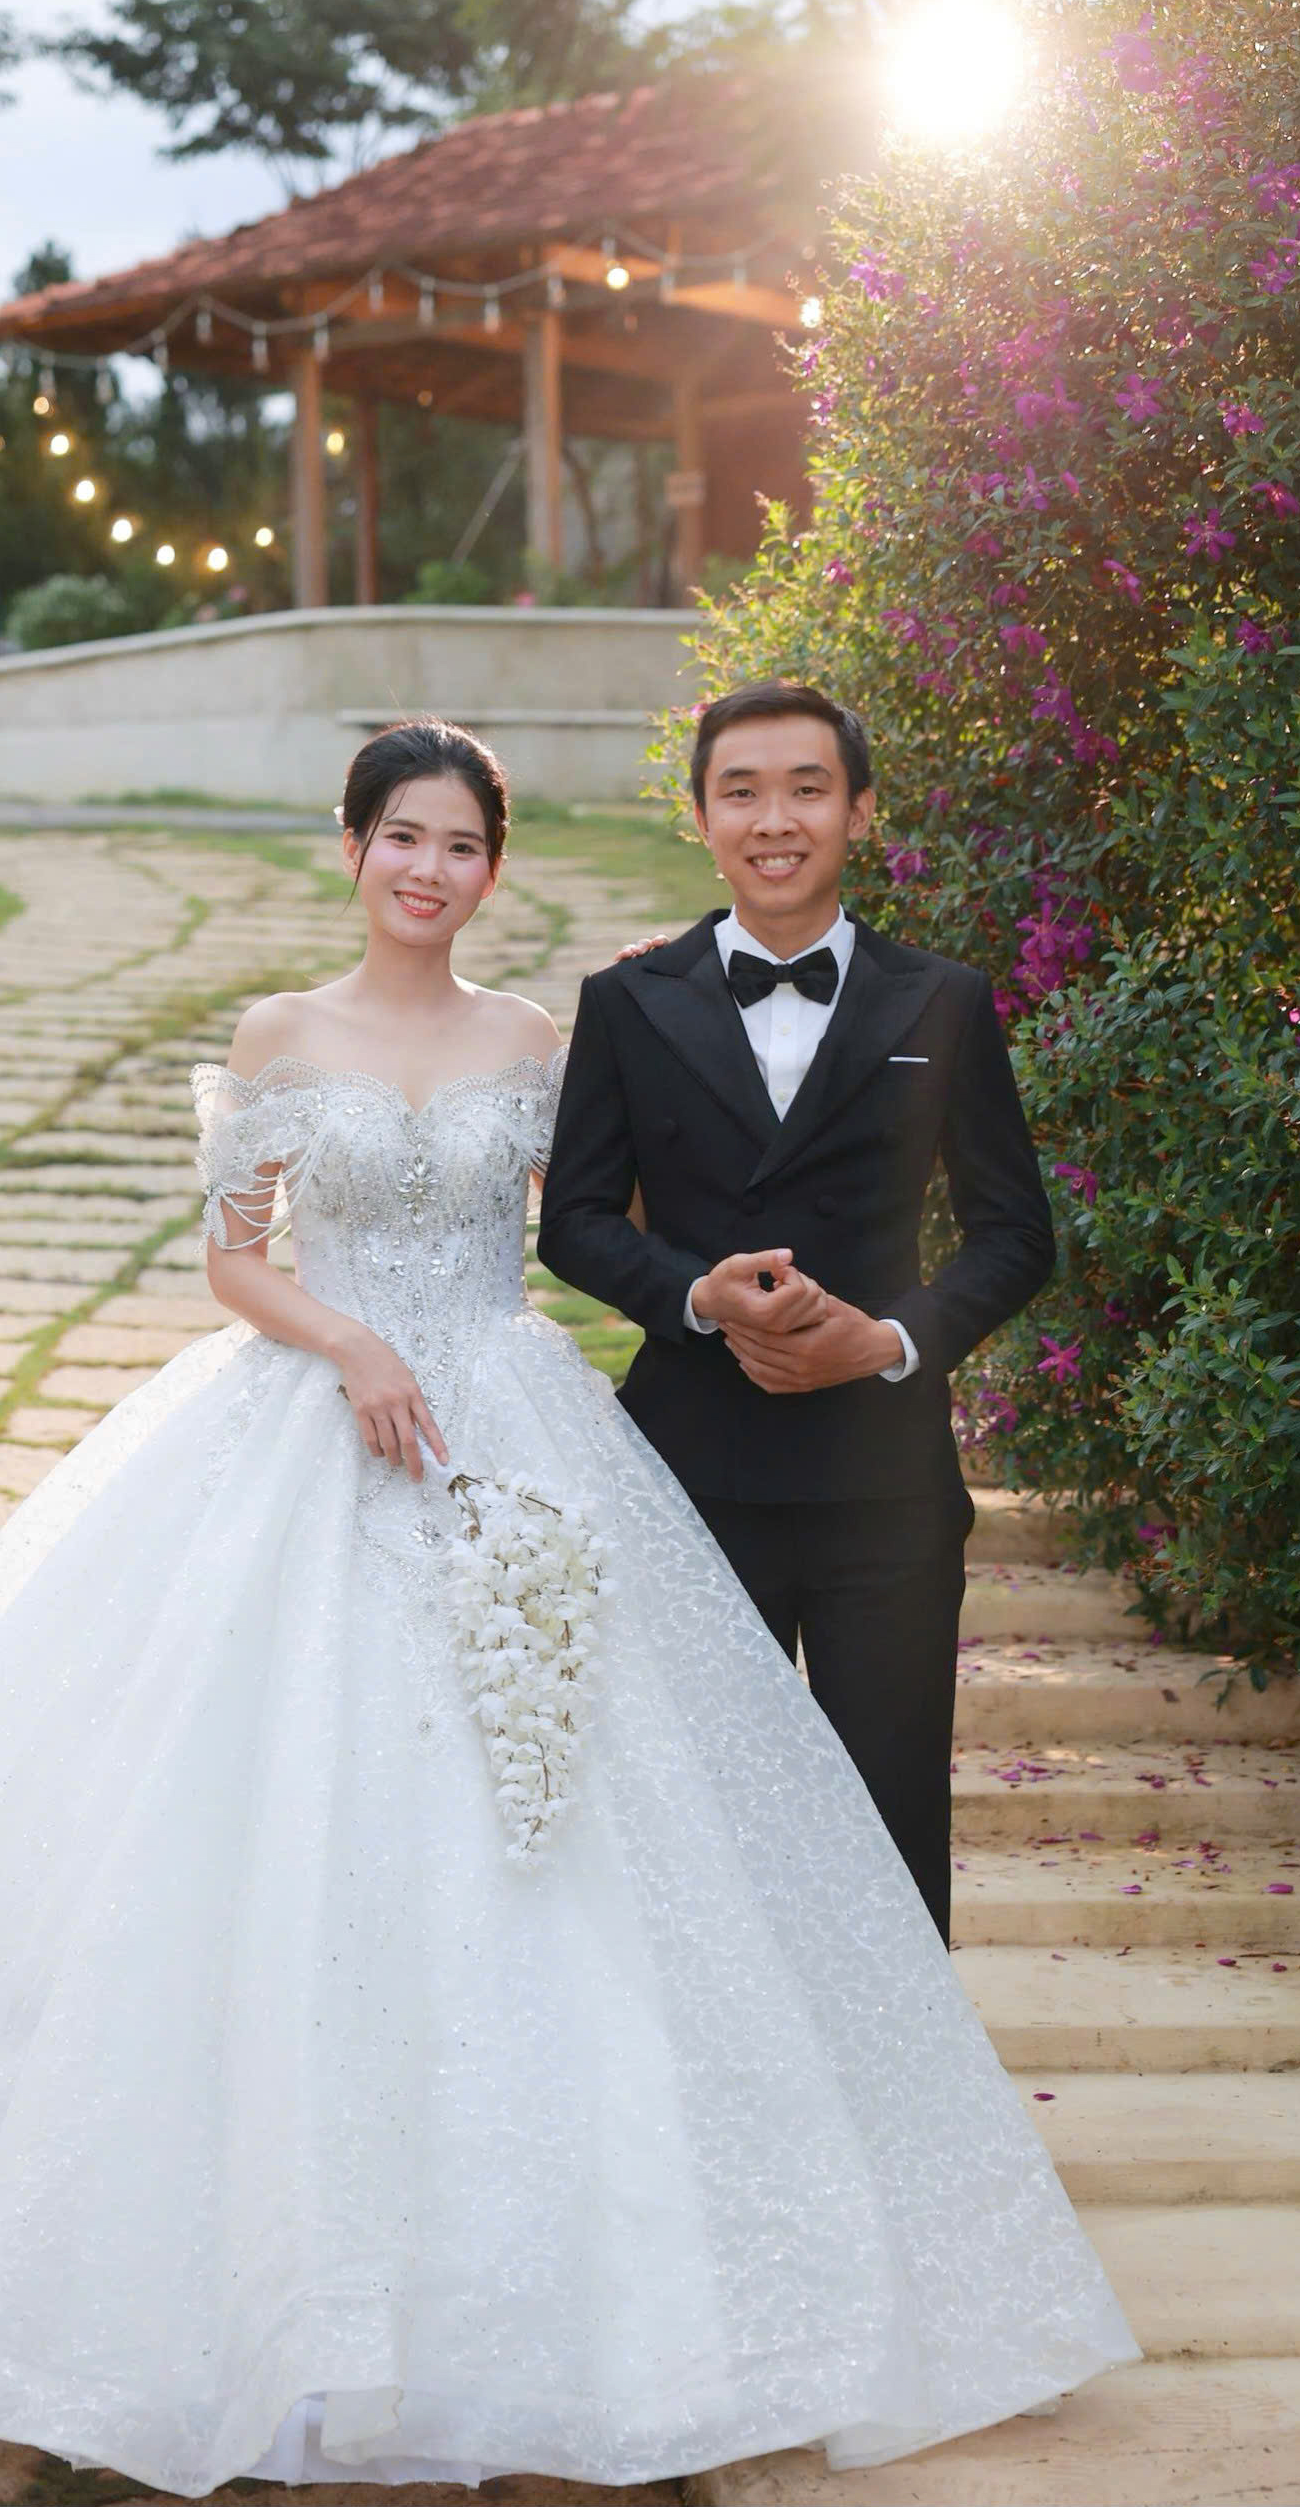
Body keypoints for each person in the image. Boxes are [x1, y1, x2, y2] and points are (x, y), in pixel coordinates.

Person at [0, 721, 1133, 2495]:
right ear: (352, 848)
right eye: (402, 837)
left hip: (509, 1422)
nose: (429, 869)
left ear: (495, 866)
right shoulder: (277, 1033)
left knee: (562, 1808)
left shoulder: (544, 1040)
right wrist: (347, 1345)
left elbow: (594, 1220)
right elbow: (232, 1253)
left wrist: (750, 1289)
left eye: (462, 844)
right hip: (310, 1421)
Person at [538, 680, 1055, 1945]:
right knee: (703, 1825)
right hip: (691, 1478)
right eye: (743, 792)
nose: (776, 820)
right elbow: (576, 1221)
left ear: (860, 811)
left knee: (891, 1816)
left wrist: (888, 1340)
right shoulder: (628, 1001)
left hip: (885, 1487)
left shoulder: (943, 998)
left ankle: (901, 2075)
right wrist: (694, 1297)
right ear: (701, 817)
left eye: (808, 789)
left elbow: (1014, 1234)